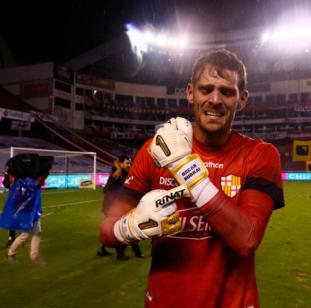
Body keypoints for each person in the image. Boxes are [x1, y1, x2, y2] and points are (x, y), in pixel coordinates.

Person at [100, 49, 284, 307]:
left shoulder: (260, 155)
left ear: (242, 99)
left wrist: (185, 168)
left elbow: (247, 239)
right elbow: (106, 231)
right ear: (190, 93)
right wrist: (128, 228)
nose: (215, 99)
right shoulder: (155, 150)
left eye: (227, 92)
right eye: (206, 89)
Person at [0, 154, 53, 265]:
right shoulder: (29, 182)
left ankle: (33, 257)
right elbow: (34, 187)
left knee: (37, 232)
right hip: (27, 210)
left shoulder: (24, 180)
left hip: (31, 209)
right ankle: (11, 253)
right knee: (26, 234)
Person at [97, 155, 144, 260]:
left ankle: (103, 249)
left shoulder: (125, 174)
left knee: (113, 229)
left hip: (119, 206)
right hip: (113, 207)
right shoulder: (116, 175)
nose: (129, 165)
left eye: (130, 163)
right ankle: (122, 253)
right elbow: (106, 190)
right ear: (121, 163)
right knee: (121, 228)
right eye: (127, 163)